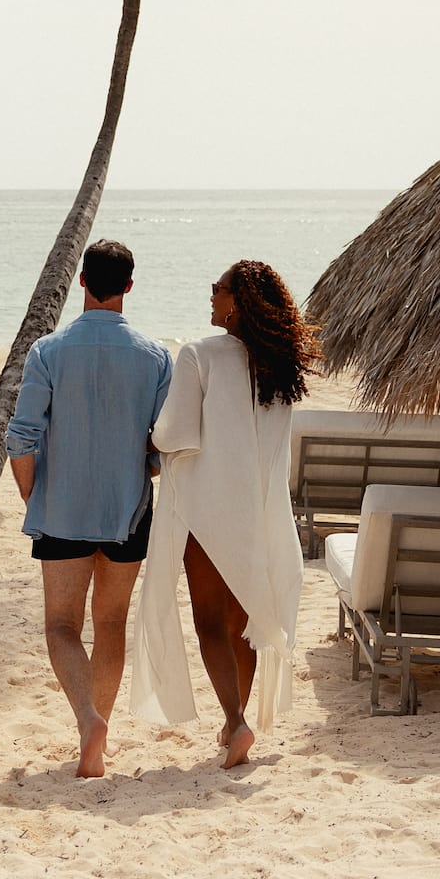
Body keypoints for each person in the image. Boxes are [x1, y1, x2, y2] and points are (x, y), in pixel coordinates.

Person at [130, 260, 319, 768]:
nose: (210, 297)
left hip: (210, 510)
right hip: (262, 511)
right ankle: (233, 720)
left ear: (237, 301)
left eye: (217, 289)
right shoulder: (281, 367)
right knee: (245, 622)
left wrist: (146, 437)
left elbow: (174, 434)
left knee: (210, 622)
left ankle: (236, 722)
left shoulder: (201, 355)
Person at [5, 239, 172, 779]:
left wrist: (35, 497)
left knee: (60, 625)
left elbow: (21, 437)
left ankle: (86, 721)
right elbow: (162, 446)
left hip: (63, 512)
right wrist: (140, 463)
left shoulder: (47, 351)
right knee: (111, 622)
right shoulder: (155, 356)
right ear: (128, 285)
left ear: (81, 281)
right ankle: (99, 730)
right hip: (128, 512)